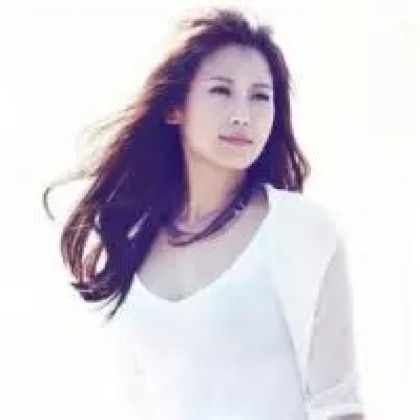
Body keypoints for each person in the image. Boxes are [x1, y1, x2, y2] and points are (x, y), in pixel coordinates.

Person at [43, 7, 365, 420]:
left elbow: (339, 404)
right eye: (221, 91)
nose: (242, 114)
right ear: (175, 108)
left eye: (260, 96)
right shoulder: (135, 239)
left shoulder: (301, 229)